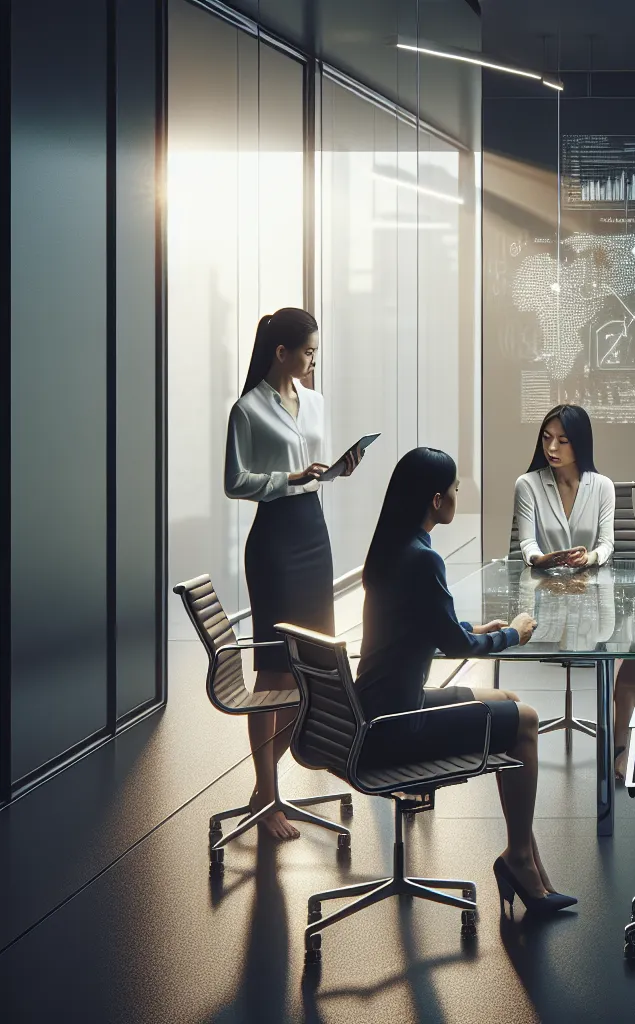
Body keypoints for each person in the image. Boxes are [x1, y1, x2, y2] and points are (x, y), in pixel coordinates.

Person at [354, 447, 574, 918]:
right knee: (527, 721)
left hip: (376, 709)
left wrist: (476, 629)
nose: (458, 495)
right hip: (397, 726)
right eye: (454, 489)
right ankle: (519, 859)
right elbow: (454, 649)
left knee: (508, 700)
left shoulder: (393, 547)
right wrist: (515, 633)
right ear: (437, 500)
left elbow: (426, 628)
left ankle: (524, 857)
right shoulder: (421, 559)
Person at [224, 308, 363, 842]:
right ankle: (269, 791)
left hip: (314, 535)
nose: (312, 360)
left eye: (316, 352)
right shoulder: (248, 409)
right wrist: (290, 478)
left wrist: (336, 470)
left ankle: (264, 792)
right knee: (275, 672)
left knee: (310, 670)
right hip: (276, 544)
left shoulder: (317, 403)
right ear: (281, 352)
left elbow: (315, 469)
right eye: (307, 351)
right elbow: (236, 480)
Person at [512, 403, 635, 757]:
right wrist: (540, 559)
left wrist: (591, 558)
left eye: (563, 441)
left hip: (594, 592)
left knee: (628, 644)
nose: (552, 448)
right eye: (547, 438)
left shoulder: (601, 486)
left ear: (580, 443)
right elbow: (527, 543)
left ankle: (618, 745)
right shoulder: (528, 484)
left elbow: (607, 544)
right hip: (544, 595)